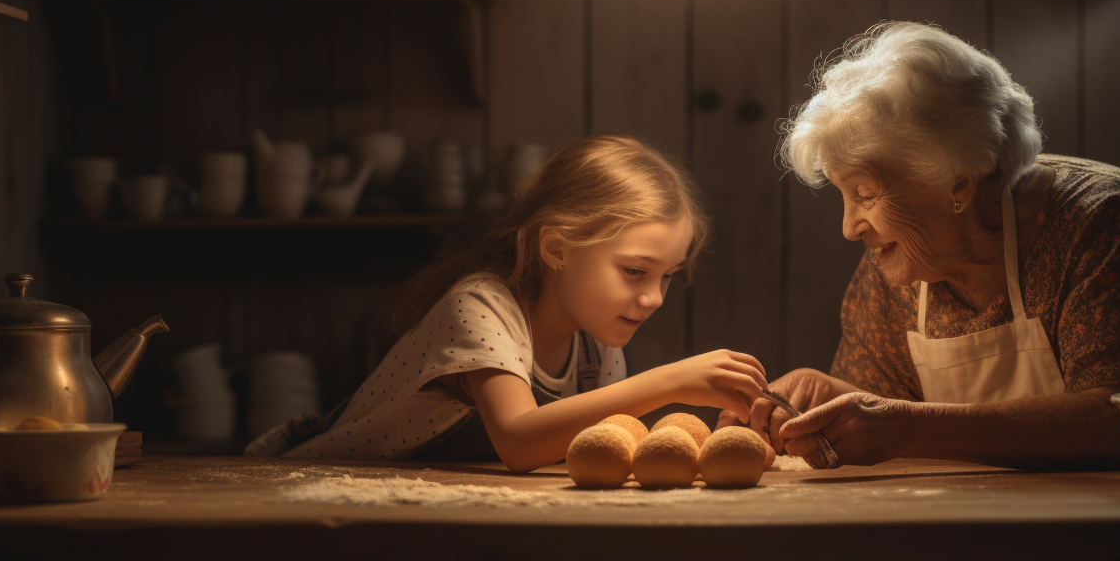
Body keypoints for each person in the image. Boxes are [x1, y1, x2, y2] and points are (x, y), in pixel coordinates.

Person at [731, 21, 1120, 470]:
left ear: (957, 180)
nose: (849, 227)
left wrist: (903, 426)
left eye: (864, 193)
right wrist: (822, 404)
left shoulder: (1097, 218)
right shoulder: (899, 266)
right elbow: (880, 416)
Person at [247, 134, 763, 471]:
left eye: (667, 277)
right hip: (305, 489)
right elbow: (518, 441)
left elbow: (587, 453)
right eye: (634, 272)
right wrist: (671, 383)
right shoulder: (480, 306)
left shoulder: (598, 338)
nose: (652, 298)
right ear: (557, 248)